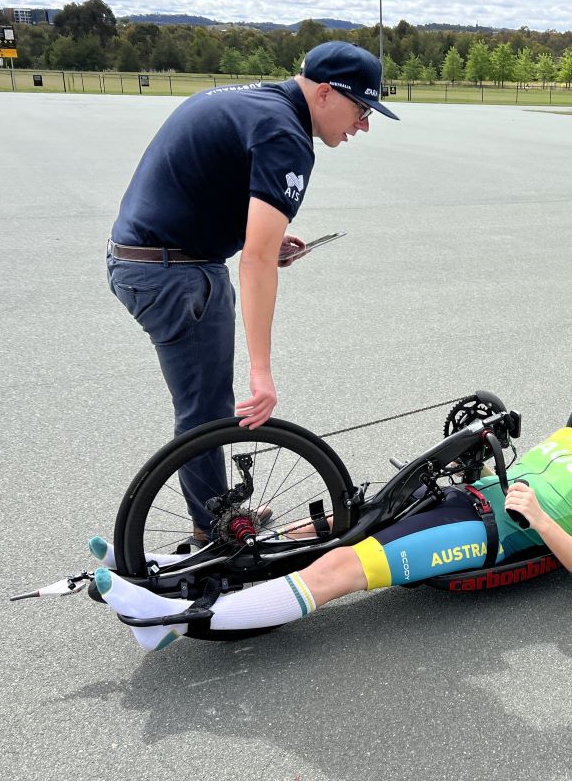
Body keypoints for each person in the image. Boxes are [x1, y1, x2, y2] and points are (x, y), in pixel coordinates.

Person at [93, 367, 572, 651]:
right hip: (458, 495)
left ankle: (170, 621)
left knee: (339, 569)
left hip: (483, 534)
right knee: (329, 526)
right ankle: (175, 569)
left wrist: (542, 518)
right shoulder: (568, 435)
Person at [106, 41, 398, 545]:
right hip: (175, 272)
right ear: (325, 94)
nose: (364, 124)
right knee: (205, 411)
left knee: (205, 405)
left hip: (147, 256)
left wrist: (260, 238)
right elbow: (256, 262)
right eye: (361, 108)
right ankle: (215, 533)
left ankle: (216, 514)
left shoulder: (254, 101)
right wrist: (262, 374)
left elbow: (209, 189)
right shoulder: (287, 135)